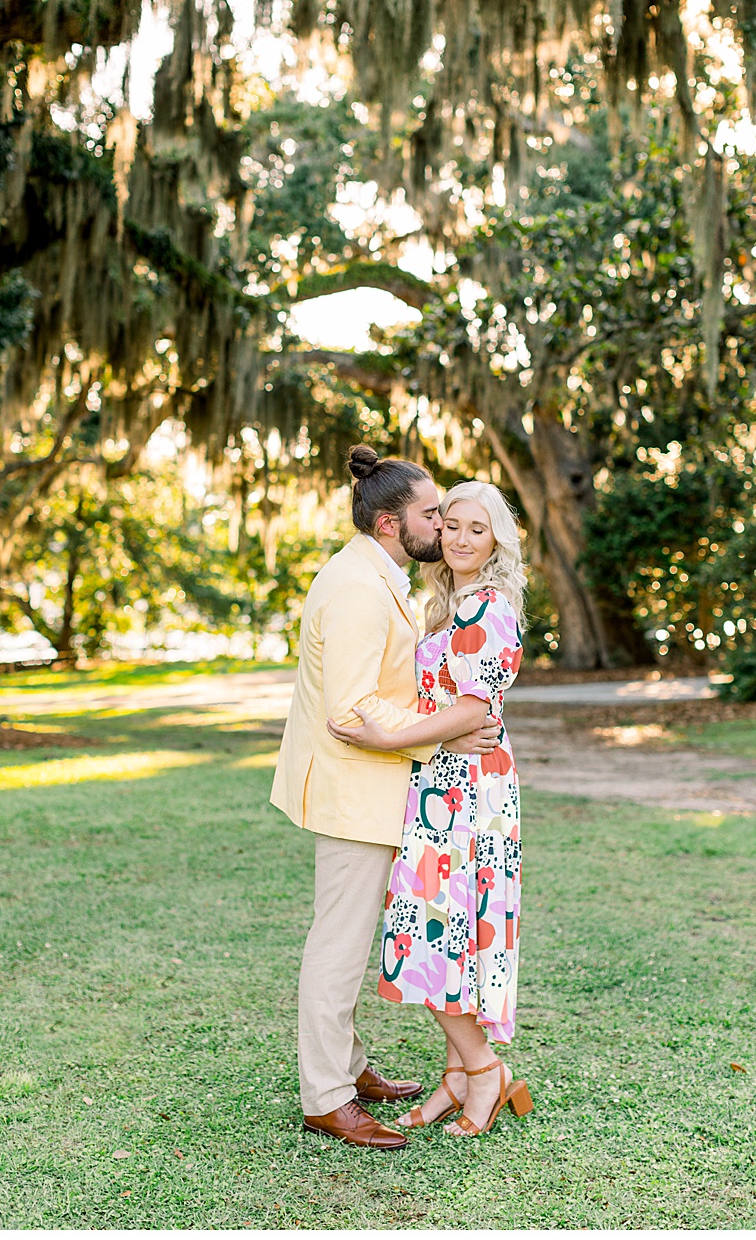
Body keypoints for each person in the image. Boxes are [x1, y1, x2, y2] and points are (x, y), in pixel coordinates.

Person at [270, 444, 500, 1151]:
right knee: (337, 947)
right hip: (351, 789)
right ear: (391, 525)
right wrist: (438, 738)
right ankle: (328, 1097)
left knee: (346, 939)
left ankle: (351, 1067)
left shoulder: (378, 575)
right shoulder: (357, 588)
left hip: (371, 786)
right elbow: (351, 709)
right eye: (432, 513)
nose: (444, 523)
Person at [329, 480, 532, 1138]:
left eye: (479, 529)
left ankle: (484, 1071)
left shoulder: (486, 610)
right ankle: (455, 1078)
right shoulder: (450, 605)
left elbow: (473, 710)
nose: (463, 538)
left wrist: (389, 736)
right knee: (451, 933)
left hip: (469, 791)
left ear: (496, 538)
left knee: (431, 932)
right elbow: (456, 707)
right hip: (446, 784)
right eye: (452, 526)